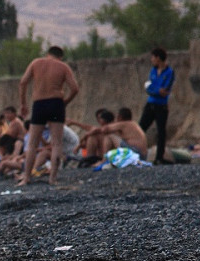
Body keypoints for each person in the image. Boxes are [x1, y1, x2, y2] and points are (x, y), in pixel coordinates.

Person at [17, 45, 80, 186]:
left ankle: (26, 177)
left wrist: (23, 104)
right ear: (60, 56)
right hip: (56, 103)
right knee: (57, 143)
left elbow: (23, 82)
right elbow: (75, 88)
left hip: (39, 103)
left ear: (47, 54)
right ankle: (52, 178)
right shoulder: (63, 67)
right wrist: (65, 102)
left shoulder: (36, 63)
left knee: (32, 142)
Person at [139, 47, 174, 164]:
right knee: (140, 128)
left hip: (161, 106)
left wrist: (155, 90)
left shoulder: (169, 72)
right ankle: (136, 154)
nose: (152, 60)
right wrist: (157, 91)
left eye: (153, 57)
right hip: (151, 104)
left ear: (158, 58)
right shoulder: (153, 71)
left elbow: (166, 89)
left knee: (161, 132)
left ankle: (159, 157)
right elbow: (148, 87)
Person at [81, 107, 148, 161]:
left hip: (136, 153)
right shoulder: (133, 124)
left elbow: (104, 129)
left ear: (120, 117)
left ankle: (104, 160)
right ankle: (94, 159)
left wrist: (86, 135)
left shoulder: (123, 124)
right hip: (143, 156)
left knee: (110, 136)